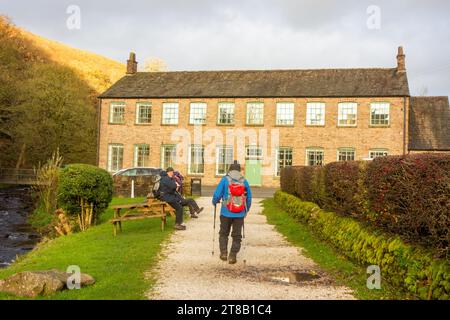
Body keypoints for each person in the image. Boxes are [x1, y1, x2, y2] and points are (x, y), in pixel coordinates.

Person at [212, 160, 252, 264]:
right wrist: (246, 209)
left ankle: (224, 253)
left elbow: (217, 194)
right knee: (237, 235)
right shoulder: (244, 181)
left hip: (226, 211)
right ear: (239, 170)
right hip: (239, 212)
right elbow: (249, 197)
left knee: (224, 232)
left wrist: (214, 201)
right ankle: (232, 256)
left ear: (229, 169)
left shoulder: (225, 179)